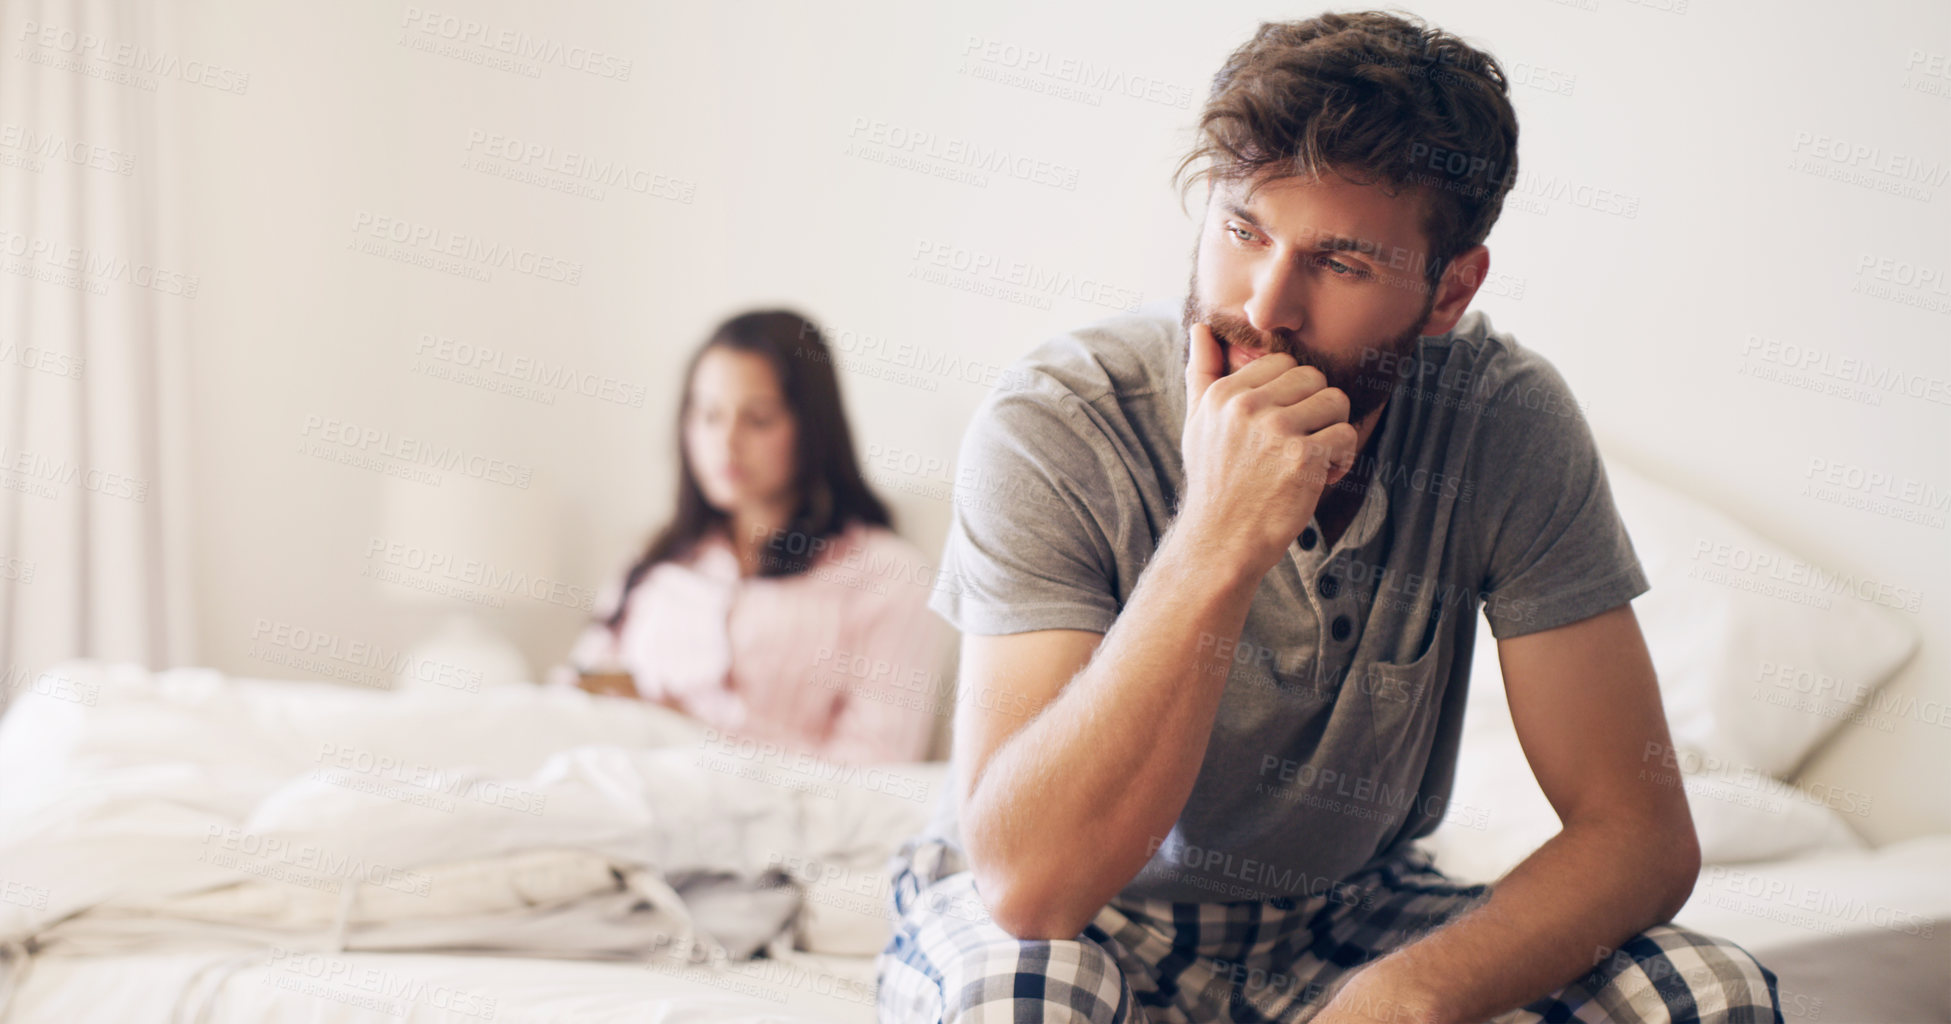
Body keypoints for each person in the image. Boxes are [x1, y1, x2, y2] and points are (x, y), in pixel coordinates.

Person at [877, 12, 1781, 1024]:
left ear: (1448, 291)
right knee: (1028, 993)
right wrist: (1218, 534)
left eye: (1342, 265)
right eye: (1242, 230)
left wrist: (1405, 997)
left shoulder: (1503, 420)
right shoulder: (1061, 418)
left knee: (1707, 990)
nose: (1268, 305)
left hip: (1344, 914)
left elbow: (1638, 834)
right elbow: (1030, 888)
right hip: (1080, 914)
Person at [548, 309, 948, 766]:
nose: (727, 442)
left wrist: (692, 732)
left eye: (758, 419)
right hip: (608, 784)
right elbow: (571, 696)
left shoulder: (889, 577)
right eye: (708, 415)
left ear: (813, 428)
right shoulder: (654, 560)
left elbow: (875, 769)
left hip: (754, 820)